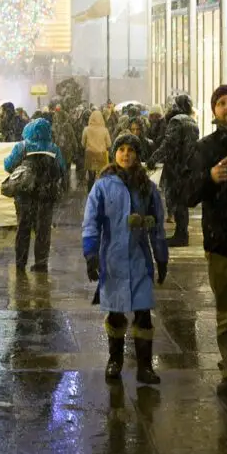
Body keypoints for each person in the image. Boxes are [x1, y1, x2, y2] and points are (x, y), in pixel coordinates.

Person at [83, 133, 168, 384]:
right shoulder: (103, 185)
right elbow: (91, 222)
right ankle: (115, 360)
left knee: (143, 314)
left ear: (138, 155)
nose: (126, 154)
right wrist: (90, 254)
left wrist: (161, 257)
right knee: (116, 313)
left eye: (131, 150)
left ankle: (145, 366)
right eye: (121, 149)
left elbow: (158, 225)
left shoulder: (147, 187)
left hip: (139, 260)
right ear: (115, 152)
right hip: (113, 261)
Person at [186, 85, 227, 397]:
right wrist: (209, 178)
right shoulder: (205, 147)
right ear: (214, 111)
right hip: (224, 242)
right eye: (221, 103)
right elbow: (189, 194)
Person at [4, 118, 67, 272]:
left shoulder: (22, 146)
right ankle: (41, 263)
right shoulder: (54, 148)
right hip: (46, 195)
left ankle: (20, 263)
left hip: (25, 195)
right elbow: (62, 169)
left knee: (23, 228)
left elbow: (8, 165)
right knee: (43, 230)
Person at [148, 93, 199, 247]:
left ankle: (181, 235)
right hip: (188, 167)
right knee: (182, 200)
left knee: (177, 201)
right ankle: (182, 233)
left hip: (176, 168)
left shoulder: (176, 122)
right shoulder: (192, 121)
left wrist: (153, 159)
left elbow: (168, 144)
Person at [82, 110, 112, 191]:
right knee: (102, 177)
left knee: (90, 178)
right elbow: (109, 144)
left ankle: (91, 195)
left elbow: (83, 143)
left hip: (90, 155)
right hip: (102, 155)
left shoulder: (86, 129)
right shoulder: (105, 130)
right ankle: (101, 194)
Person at [51, 106, 77, 184]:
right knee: (67, 166)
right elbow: (73, 138)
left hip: (57, 150)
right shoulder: (68, 126)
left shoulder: (54, 126)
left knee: (59, 166)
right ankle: (66, 182)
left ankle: (61, 180)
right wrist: (75, 148)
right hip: (67, 150)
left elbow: (51, 138)